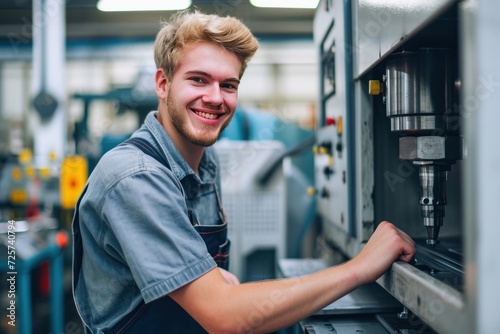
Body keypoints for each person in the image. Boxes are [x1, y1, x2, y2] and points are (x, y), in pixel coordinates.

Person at [72, 10, 416, 334]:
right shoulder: (135, 177)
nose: (215, 97)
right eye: (198, 80)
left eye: (229, 85)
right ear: (162, 84)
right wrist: (360, 267)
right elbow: (225, 318)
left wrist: (206, 279)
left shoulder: (205, 162)